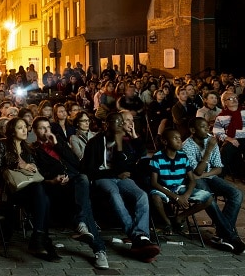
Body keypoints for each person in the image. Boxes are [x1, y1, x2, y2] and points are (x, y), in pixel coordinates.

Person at [31, 116, 109, 269]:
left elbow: (76, 163)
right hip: (56, 186)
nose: (47, 131)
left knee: (83, 179)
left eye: (48, 127)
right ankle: (99, 250)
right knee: (85, 205)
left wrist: (57, 145)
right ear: (34, 131)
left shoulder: (58, 141)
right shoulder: (34, 150)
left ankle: (82, 224)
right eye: (42, 128)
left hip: (75, 181)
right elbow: (39, 174)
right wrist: (54, 179)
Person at [82, 112, 160, 262]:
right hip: (102, 177)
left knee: (141, 195)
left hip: (120, 177)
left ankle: (141, 235)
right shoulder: (95, 142)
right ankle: (138, 237)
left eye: (120, 123)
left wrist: (119, 146)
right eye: (116, 123)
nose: (120, 126)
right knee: (113, 193)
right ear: (107, 125)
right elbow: (89, 171)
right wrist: (115, 173)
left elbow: (131, 161)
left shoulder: (123, 142)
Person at [0, 117, 59, 261]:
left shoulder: (28, 148)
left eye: (25, 127)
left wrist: (51, 179)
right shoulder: (1, 144)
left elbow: (35, 174)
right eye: (19, 127)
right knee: (42, 196)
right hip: (9, 191)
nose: (24, 130)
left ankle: (39, 238)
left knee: (43, 195)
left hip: (29, 190)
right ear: (12, 130)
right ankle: (42, 240)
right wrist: (18, 165)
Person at [182, 117, 245, 254]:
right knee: (208, 197)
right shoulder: (186, 146)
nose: (207, 129)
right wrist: (208, 152)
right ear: (193, 130)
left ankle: (222, 234)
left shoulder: (210, 141)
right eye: (203, 127)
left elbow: (218, 168)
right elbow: (196, 172)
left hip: (208, 176)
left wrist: (203, 175)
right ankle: (231, 237)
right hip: (192, 180)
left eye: (207, 126)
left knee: (236, 193)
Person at [149, 128, 213, 234]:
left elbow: (192, 180)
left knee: (208, 198)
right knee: (155, 197)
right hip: (164, 188)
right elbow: (154, 182)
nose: (179, 140)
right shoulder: (157, 157)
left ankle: (179, 217)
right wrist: (176, 197)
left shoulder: (183, 156)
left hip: (179, 188)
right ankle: (167, 222)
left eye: (179, 138)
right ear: (165, 141)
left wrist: (186, 196)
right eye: (175, 138)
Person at [213, 90, 245, 184]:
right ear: (224, 102)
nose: (234, 100)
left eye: (235, 98)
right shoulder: (221, 116)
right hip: (233, 140)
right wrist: (229, 139)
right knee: (226, 149)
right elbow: (217, 132)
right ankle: (219, 179)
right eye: (230, 98)